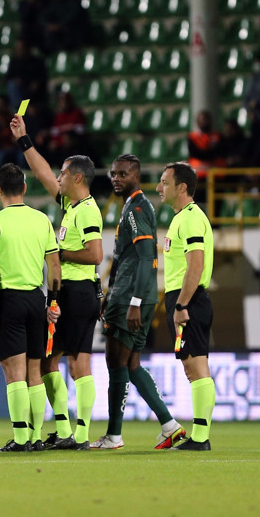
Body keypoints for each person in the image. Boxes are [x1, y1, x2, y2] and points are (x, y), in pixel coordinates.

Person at [10, 114, 103, 450]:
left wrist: (59, 253)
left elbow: (95, 254)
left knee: (78, 364)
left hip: (79, 292)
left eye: (63, 173)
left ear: (77, 177)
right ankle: (64, 430)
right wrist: (24, 140)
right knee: (51, 361)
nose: (58, 177)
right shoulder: (71, 205)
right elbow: (42, 173)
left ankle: (81, 434)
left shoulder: (88, 210)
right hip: (68, 293)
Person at [92, 155, 186, 450]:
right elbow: (124, 258)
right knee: (131, 364)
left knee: (116, 363)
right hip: (130, 295)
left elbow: (146, 257)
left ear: (136, 176)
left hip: (132, 298)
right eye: (113, 173)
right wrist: (109, 293)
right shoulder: (131, 207)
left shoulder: (136, 208)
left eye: (123, 174)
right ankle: (169, 425)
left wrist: (133, 301)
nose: (116, 178)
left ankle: (113, 436)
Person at [0, 163, 61, 451]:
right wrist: (52, 302)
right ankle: (36, 437)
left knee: (14, 373)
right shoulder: (42, 219)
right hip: (35, 299)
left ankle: (20, 439)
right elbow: (54, 266)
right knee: (34, 372)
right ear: (25, 188)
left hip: (8, 300)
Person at [156, 162, 216, 451]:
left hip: (188, 300)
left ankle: (201, 438)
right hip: (185, 299)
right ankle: (200, 436)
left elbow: (196, 265)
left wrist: (181, 304)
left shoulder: (190, 219)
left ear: (181, 187)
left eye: (165, 182)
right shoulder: (182, 218)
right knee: (194, 367)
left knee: (196, 367)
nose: (159, 187)